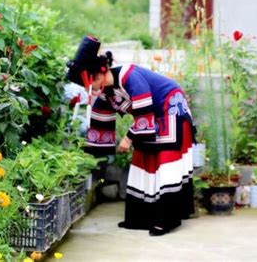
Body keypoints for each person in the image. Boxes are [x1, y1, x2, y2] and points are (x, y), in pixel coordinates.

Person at [66, 35, 197, 236]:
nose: (89, 89)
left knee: (165, 161)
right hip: (150, 116)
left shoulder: (129, 76)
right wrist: (93, 155)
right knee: (142, 158)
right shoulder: (105, 92)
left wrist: (128, 138)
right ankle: (140, 217)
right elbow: (100, 122)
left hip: (170, 109)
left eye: (89, 83)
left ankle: (166, 220)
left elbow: (145, 113)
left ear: (99, 73)